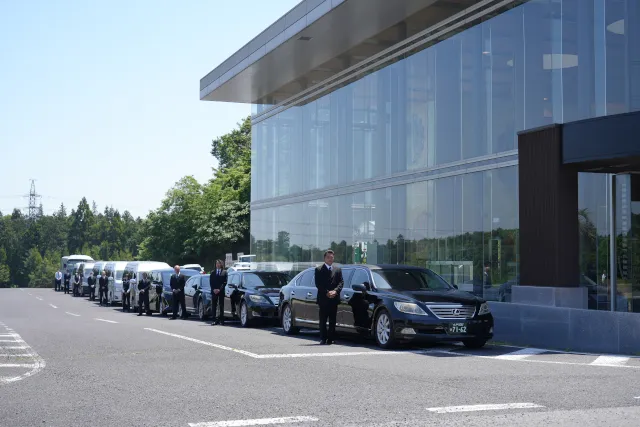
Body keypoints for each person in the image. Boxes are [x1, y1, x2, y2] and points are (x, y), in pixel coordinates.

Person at [315, 250, 343, 345]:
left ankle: (331, 339)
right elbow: (318, 284)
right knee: (323, 320)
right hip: (323, 298)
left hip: (334, 298)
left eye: (332, 257)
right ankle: (323, 338)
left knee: (332, 320)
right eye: (328, 257)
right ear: (324, 258)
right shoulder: (319, 269)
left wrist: (335, 291)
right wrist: (327, 292)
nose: (330, 259)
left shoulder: (337, 270)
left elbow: (341, 282)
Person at [209, 260, 227, 325]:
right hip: (214, 291)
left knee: (221, 305)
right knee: (214, 305)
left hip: (221, 291)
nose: (217, 265)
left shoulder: (224, 272)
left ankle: (221, 320)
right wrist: (214, 289)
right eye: (216, 263)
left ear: (221, 264)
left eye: (219, 263)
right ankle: (214, 320)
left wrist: (219, 289)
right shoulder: (212, 272)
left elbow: (224, 282)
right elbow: (211, 282)